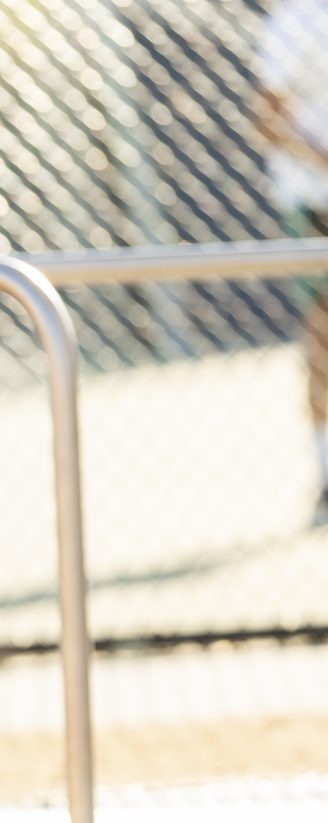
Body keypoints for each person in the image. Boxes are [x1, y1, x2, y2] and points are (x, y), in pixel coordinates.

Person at [253, 0, 328, 525]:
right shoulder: (296, 21)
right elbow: (268, 119)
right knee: (324, 339)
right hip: (317, 204)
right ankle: (326, 475)